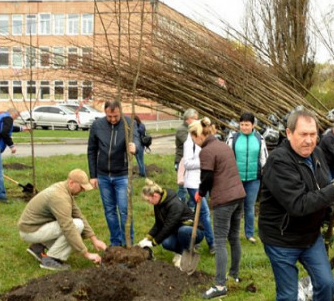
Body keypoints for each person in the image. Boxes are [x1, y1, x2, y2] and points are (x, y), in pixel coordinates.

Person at [259, 109, 334, 301]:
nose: (309, 140)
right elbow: (298, 204)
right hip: (281, 239)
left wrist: (327, 220)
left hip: (310, 236)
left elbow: (322, 187)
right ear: (289, 133)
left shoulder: (316, 154)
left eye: (313, 134)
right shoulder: (278, 162)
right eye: (303, 134)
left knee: (326, 283)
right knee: (287, 294)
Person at [193, 118, 246, 300]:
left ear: (197, 136)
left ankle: (220, 285)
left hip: (225, 199)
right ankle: (234, 275)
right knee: (234, 237)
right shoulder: (223, 144)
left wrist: (200, 192)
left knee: (220, 240)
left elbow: (207, 178)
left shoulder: (206, 151)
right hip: (239, 195)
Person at [19, 169, 107, 271]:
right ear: (71, 183)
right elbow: (68, 227)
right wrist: (86, 254)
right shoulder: (59, 197)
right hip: (30, 231)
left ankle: (37, 247)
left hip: (34, 227)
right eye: (81, 188)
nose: (82, 191)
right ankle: (50, 260)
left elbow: (78, 214)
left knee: (78, 223)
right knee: (76, 226)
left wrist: (94, 239)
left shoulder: (64, 189)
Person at [87, 100, 138, 247]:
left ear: (120, 111)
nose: (113, 119)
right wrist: (93, 175)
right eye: (109, 116)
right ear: (105, 112)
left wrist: (136, 147)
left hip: (122, 175)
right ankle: (115, 242)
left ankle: (128, 241)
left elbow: (136, 140)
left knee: (124, 210)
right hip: (103, 176)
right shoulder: (97, 126)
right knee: (109, 211)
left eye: (115, 116)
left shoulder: (128, 123)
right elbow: (91, 150)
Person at [137, 179, 206, 265]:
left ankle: (185, 254)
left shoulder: (174, 204)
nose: (148, 203)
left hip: (194, 231)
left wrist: (153, 243)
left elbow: (169, 226)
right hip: (177, 230)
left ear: (154, 195)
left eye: (148, 200)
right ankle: (180, 251)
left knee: (183, 231)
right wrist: (147, 238)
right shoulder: (158, 204)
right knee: (166, 243)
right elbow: (158, 224)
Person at [226, 113, 269, 244]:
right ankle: (232, 233)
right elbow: (226, 157)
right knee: (234, 207)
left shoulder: (259, 138)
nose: (244, 127)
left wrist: (264, 172)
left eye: (247, 125)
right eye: (242, 124)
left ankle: (249, 234)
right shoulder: (233, 137)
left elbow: (264, 157)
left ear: (253, 125)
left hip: (253, 179)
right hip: (236, 179)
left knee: (249, 207)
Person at [179, 123, 215, 254]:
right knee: (205, 212)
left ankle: (195, 239)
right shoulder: (189, 143)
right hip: (193, 184)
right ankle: (212, 243)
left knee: (199, 213)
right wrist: (205, 162)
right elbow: (187, 164)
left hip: (203, 182)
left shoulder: (205, 141)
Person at [175, 108, 198, 201]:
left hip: (192, 162)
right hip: (182, 161)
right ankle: (180, 205)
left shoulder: (193, 129)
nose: (197, 121)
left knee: (194, 187)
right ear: (188, 119)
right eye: (195, 119)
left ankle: (191, 206)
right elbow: (191, 143)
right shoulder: (182, 130)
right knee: (183, 187)